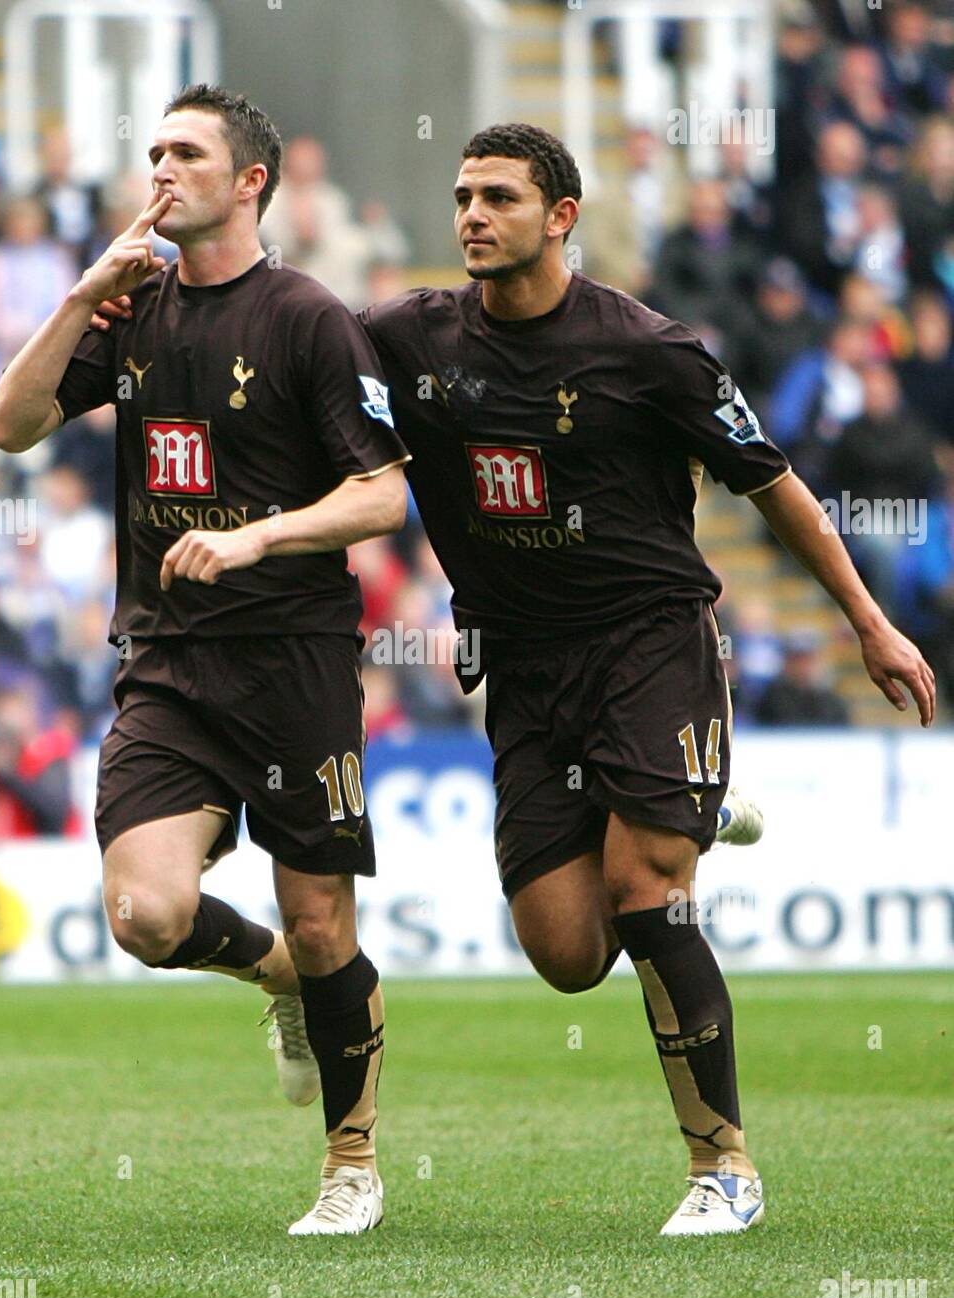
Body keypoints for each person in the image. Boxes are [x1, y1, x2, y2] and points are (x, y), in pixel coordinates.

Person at [351, 125, 933, 1237]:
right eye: (463, 196)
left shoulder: (650, 350)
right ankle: (688, 800)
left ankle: (723, 1165)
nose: (471, 215)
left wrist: (867, 623)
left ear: (560, 215)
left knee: (645, 887)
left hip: (649, 642)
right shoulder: (405, 337)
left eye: (499, 198)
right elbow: (291, 355)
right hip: (520, 664)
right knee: (566, 952)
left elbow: (774, 488)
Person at [0, 84, 411, 1236]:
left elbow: (382, 489)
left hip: (293, 660)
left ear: (250, 180)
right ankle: (273, 979)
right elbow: (9, 426)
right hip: (168, 664)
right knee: (145, 913)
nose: (160, 170)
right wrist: (80, 298)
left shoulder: (309, 318)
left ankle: (350, 1161)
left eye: (187, 153)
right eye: (153, 151)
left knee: (328, 925)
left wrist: (257, 535)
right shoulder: (129, 311)